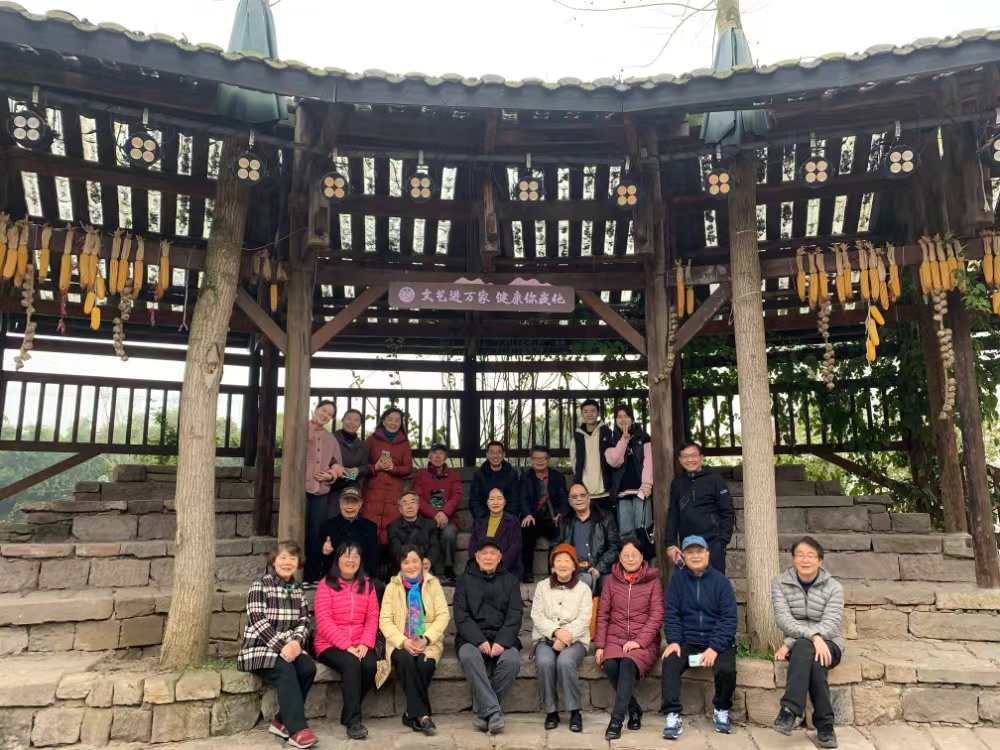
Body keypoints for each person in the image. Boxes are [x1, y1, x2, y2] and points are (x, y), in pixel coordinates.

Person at [237, 541, 318, 749]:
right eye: (283, 557)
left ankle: (281, 721)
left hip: (290, 646)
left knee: (308, 667)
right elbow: (258, 621)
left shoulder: (297, 589)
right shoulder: (260, 586)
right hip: (259, 647)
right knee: (286, 670)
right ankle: (297, 729)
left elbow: (304, 620)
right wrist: (282, 646)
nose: (287, 562)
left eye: (292, 558)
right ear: (274, 560)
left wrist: (297, 642)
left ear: (298, 563)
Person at [660, 535, 738, 740]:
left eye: (699, 551)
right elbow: (672, 614)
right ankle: (673, 714)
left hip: (717, 643)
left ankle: (721, 709)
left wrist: (714, 647)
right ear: (683, 556)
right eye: (690, 552)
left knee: (726, 669)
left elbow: (729, 618)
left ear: (707, 554)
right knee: (670, 661)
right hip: (689, 642)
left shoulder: (721, 582)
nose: (695, 556)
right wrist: (674, 641)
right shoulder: (677, 581)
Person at [771, 536, 845, 750]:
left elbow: (831, 624)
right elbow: (783, 620)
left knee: (807, 649)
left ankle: (789, 710)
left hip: (830, 643)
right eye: (800, 555)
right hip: (806, 645)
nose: (805, 560)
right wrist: (813, 637)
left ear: (820, 560)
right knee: (814, 660)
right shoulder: (780, 583)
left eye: (811, 555)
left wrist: (791, 643)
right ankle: (825, 726)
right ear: (793, 559)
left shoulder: (834, 587)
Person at [594, 537, 663, 741]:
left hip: (644, 641)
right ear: (620, 558)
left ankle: (616, 719)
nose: (630, 559)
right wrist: (600, 645)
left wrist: (639, 641)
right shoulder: (610, 581)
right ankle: (634, 709)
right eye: (626, 555)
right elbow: (603, 615)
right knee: (610, 664)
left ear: (642, 557)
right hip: (615, 638)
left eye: (634, 554)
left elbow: (657, 615)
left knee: (627, 662)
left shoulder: (652, 581)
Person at [379, 544, 451, 737]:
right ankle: (422, 716)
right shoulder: (392, 587)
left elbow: (443, 616)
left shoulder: (433, 584)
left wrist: (426, 638)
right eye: (406, 562)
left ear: (422, 562)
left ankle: (411, 713)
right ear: (400, 565)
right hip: (400, 640)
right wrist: (403, 641)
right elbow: (385, 620)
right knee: (405, 660)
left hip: (428, 640)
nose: (411, 566)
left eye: (414, 561)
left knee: (425, 665)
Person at [454, 538, 524, 735]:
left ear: (500, 557)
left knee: (512, 661)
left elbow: (515, 614)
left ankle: (484, 711)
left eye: (493, 553)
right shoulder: (464, 580)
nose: (488, 557)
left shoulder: (510, 581)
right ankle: (493, 712)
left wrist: (502, 641)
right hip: (471, 638)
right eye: (484, 553)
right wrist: (479, 640)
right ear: (476, 557)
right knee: (469, 656)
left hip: (503, 638)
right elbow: (461, 615)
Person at [313, 541, 380, 740]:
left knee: (370, 665)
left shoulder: (367, 584)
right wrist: (347, 645)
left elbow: (373, 617)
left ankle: (348, 711)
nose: (351, 560)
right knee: (352, 664)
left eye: (356, 556)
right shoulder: (326, 584)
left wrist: (365, 643)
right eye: (347, 555)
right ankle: (354, 721)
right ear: (338, 559)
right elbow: (324, 622)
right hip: (329, 644)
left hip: (360, 642)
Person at [531, 543, 592, 733]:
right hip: (546, 637)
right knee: (545, 662)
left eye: (567, 561)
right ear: (552, 566)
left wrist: (566, 637)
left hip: (575, 640)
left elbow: (584, 619)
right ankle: (551, 711)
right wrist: (556, 632)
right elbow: (537, 615)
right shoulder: (542, 587)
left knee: (565, 662)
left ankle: (575, 711)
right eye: (558, 561)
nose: (562, 564)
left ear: (574, 566)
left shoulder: (583, 589)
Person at [664, 442, 735, 575]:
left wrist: (722, 542)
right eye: (685, 456)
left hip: (713, 545)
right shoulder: (678, 483)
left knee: (714, 584)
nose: (690, 460)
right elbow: (673, 514)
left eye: (693, 455)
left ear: (701, 457)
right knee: (687, 585)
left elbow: (727, 512)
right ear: (680, 460)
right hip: (687, 546)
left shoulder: (715, 480)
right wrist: (670, 544)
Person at [363, 407, 413, 563]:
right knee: (369, 528)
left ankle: (389, 569)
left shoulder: (404, 444)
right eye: (390, 419)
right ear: (383, 421)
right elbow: (362, 465)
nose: (393, 423)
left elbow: (408, 468)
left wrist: (394, 468)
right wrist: (375, 467)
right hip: (372, 491)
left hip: (394, 492)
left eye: (397, 420)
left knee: (391, 531)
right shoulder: (372, 440)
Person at [304, 401, 345, 584]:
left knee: (316, 534)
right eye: (324, 410)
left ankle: (311, 576)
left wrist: (330, 475)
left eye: (330, 414)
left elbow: (338, 465)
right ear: (316, 409)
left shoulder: (331, 438)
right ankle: (291, 573)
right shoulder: (301, 429)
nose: (325, 415)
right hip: (299, 489)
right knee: (297, 531)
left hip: (320, 492)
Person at [412, 442, 462, 584]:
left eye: (441, 453)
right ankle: (428, 568)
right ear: (429, 456)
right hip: (427, 517)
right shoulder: (420, 476)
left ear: (445, 457)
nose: (438, 456)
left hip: (448, 517)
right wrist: (435, 514)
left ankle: (448, 569)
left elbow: (456, 496)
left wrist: (444, 512)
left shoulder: (453, 476)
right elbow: (418, 498)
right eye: (434, 453)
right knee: (426, 532)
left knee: (449, 533)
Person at [517, 445, 568, 584]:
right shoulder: (526, 477)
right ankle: (527, 572)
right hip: (533, 517)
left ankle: (554, 573)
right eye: (536, 458)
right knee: (526, 529)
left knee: (560, 532)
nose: (539, 461)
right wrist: (527, 514)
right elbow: (522, 499)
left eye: (543, 458)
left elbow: (564, 499)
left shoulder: (558, 477)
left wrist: (560, 514)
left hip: (552, 517)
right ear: (531, 460)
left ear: (548, 459)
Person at [604, 404, 654, 545]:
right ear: (615, 420)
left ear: (632, 418)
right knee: (626, 532)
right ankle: (629, 558)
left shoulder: (643, 437)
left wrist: (647, 484)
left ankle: (646, 558)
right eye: (619, 417)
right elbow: (615, 462)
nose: (623, 419)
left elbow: (649, 461)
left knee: (644, 529)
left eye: (626, 416)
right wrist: (624, 440)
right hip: (622, 492)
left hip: (641, 490)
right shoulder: (611, 440)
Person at [556, 483, 620, 593]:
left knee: (609, 584)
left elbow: (614, 547)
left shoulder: (605, 518)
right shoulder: (564, 521)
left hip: (599, 569)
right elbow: (556, 547)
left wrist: (599, 569)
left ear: (588, 498)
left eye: (582, 495)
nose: (579, 499)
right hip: (573, 571)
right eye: (575, 496)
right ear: (570, 501)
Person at [319, 484, 378, 577]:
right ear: (340, 504)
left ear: (360, 504)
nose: (349, 507)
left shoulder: (370, 527)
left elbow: (373, 558)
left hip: (361, 577)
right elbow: (318, 559)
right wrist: (324, 551)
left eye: (354, 503)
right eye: (346, 502)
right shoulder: (327, 526)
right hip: (334, 576)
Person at [467, 487, 523, 581]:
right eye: (492, 499)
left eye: (499, 498)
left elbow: (514, 548)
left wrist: (495, 567)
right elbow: (473, 546)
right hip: (481, 569)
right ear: (487, 502)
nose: (495, 502)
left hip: (506, 569)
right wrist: (481, 565)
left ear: (504, 502)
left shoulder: (513, 522)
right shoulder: (479, 521)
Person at [569, 399, 614, 511]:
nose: (589, 414)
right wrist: (579, 479)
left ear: (598, 413)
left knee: (607, 520)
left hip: (605, 490)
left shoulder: (607, 433)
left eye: (593, 411)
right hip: (585, 491)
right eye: (586, 411)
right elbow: (573, 459)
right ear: (582, 414)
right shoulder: (577, 436)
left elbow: (613, 458)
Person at [387, 490, 443, 575]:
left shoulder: (430, 524)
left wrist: (429, 560)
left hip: (425, 566)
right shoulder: (393, 527)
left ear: (418, 506)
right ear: (400, 509)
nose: (410, 506)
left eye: (413, 502)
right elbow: (396, 550)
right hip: (404, 566)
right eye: (405, 504)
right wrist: (411, 563)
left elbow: (434, 546)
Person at [469, 441, 520, 522]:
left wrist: (505, 520)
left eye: (499, 452)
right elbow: (475, 502)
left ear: (503, 455)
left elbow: (514, 502)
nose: (495, 456)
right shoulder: (479, 475)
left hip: (507, 520)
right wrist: (485, 519)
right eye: (492, 453)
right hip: (484, 519)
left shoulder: (512, 474)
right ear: (487, 455)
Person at [330, 408, 369, 511]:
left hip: (351, 490)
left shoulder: (362, 446)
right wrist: (335, 466)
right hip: (331, 488)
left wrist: (357, 470)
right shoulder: (331, 439)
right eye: (349, 419)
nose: (352, 423)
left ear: (360, 424)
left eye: (356, 420)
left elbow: (365, 467)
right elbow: (323, 459)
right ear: (343, 420)